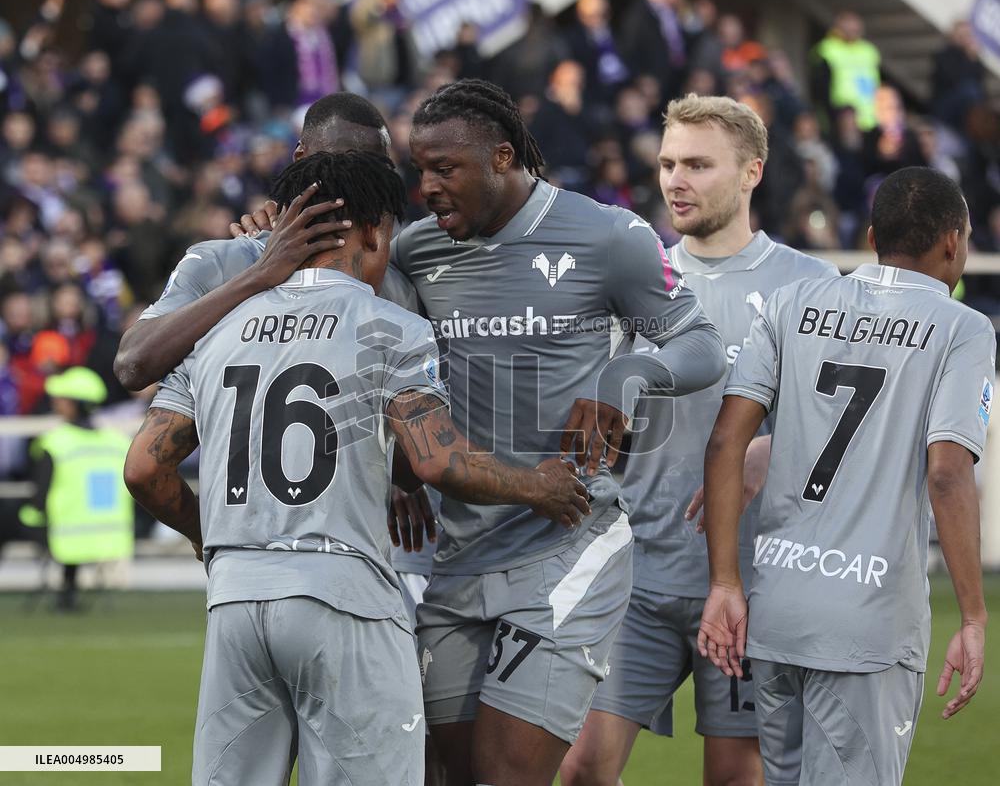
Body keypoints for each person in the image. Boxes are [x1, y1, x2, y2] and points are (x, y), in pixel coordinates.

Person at [123, 151, 591, 785]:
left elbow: (145, 471)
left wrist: (215, 542)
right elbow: (437, 460)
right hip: (342, 599)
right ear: (375, 231)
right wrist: (538, 486)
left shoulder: (213, 327)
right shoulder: (389, 327)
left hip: (235, 596)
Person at [395, 78, 726, 785]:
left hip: (567, 542)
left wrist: (626, 375)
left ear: (503, 158)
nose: (426, 186)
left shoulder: (608, 234)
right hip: (457, 558)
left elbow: (701, 345)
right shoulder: (415, 253)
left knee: (507, 773)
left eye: (444, 168)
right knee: (441, 773)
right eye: (418, 169)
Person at [560, 95, 838, 786]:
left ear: (751, 172)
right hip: (639, 574)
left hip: (751, 582)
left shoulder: (811, 286)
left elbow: (843, 432)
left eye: (698, 165)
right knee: (582, 766)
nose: (676, 180)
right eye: (667, 163)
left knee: (734, 776)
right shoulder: (634, 278)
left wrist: (769, 449)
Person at [699, 166, 993, 785]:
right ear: (953, 242)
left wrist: (725, 581)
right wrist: (972, 616)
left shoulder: (793, 302)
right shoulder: (962, 328)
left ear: (870, 235)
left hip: (776, 608)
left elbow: (728, 438)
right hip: (867, 623)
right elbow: (947, 475)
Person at [112, 91, 390, 393]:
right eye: (343, 160)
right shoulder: (226, 260)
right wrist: (258, 275)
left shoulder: (400, 262)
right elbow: (132, 365)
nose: (359, 178)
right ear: (300, 157)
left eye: (375, 167)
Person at [20, 366, 133, 611]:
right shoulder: (118, 442)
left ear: (77, 404)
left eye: (62, 399)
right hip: (110, 535)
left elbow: (38, 495)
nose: (55, 403)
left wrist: (31, 517)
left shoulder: (55, 442)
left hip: (61, 534)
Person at [809, 11, 881, 132]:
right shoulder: (827, 48)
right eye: (847, 26)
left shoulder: (868, 50)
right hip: (841, 116)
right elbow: (819, 86)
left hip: (870, 116)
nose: (852, 30)